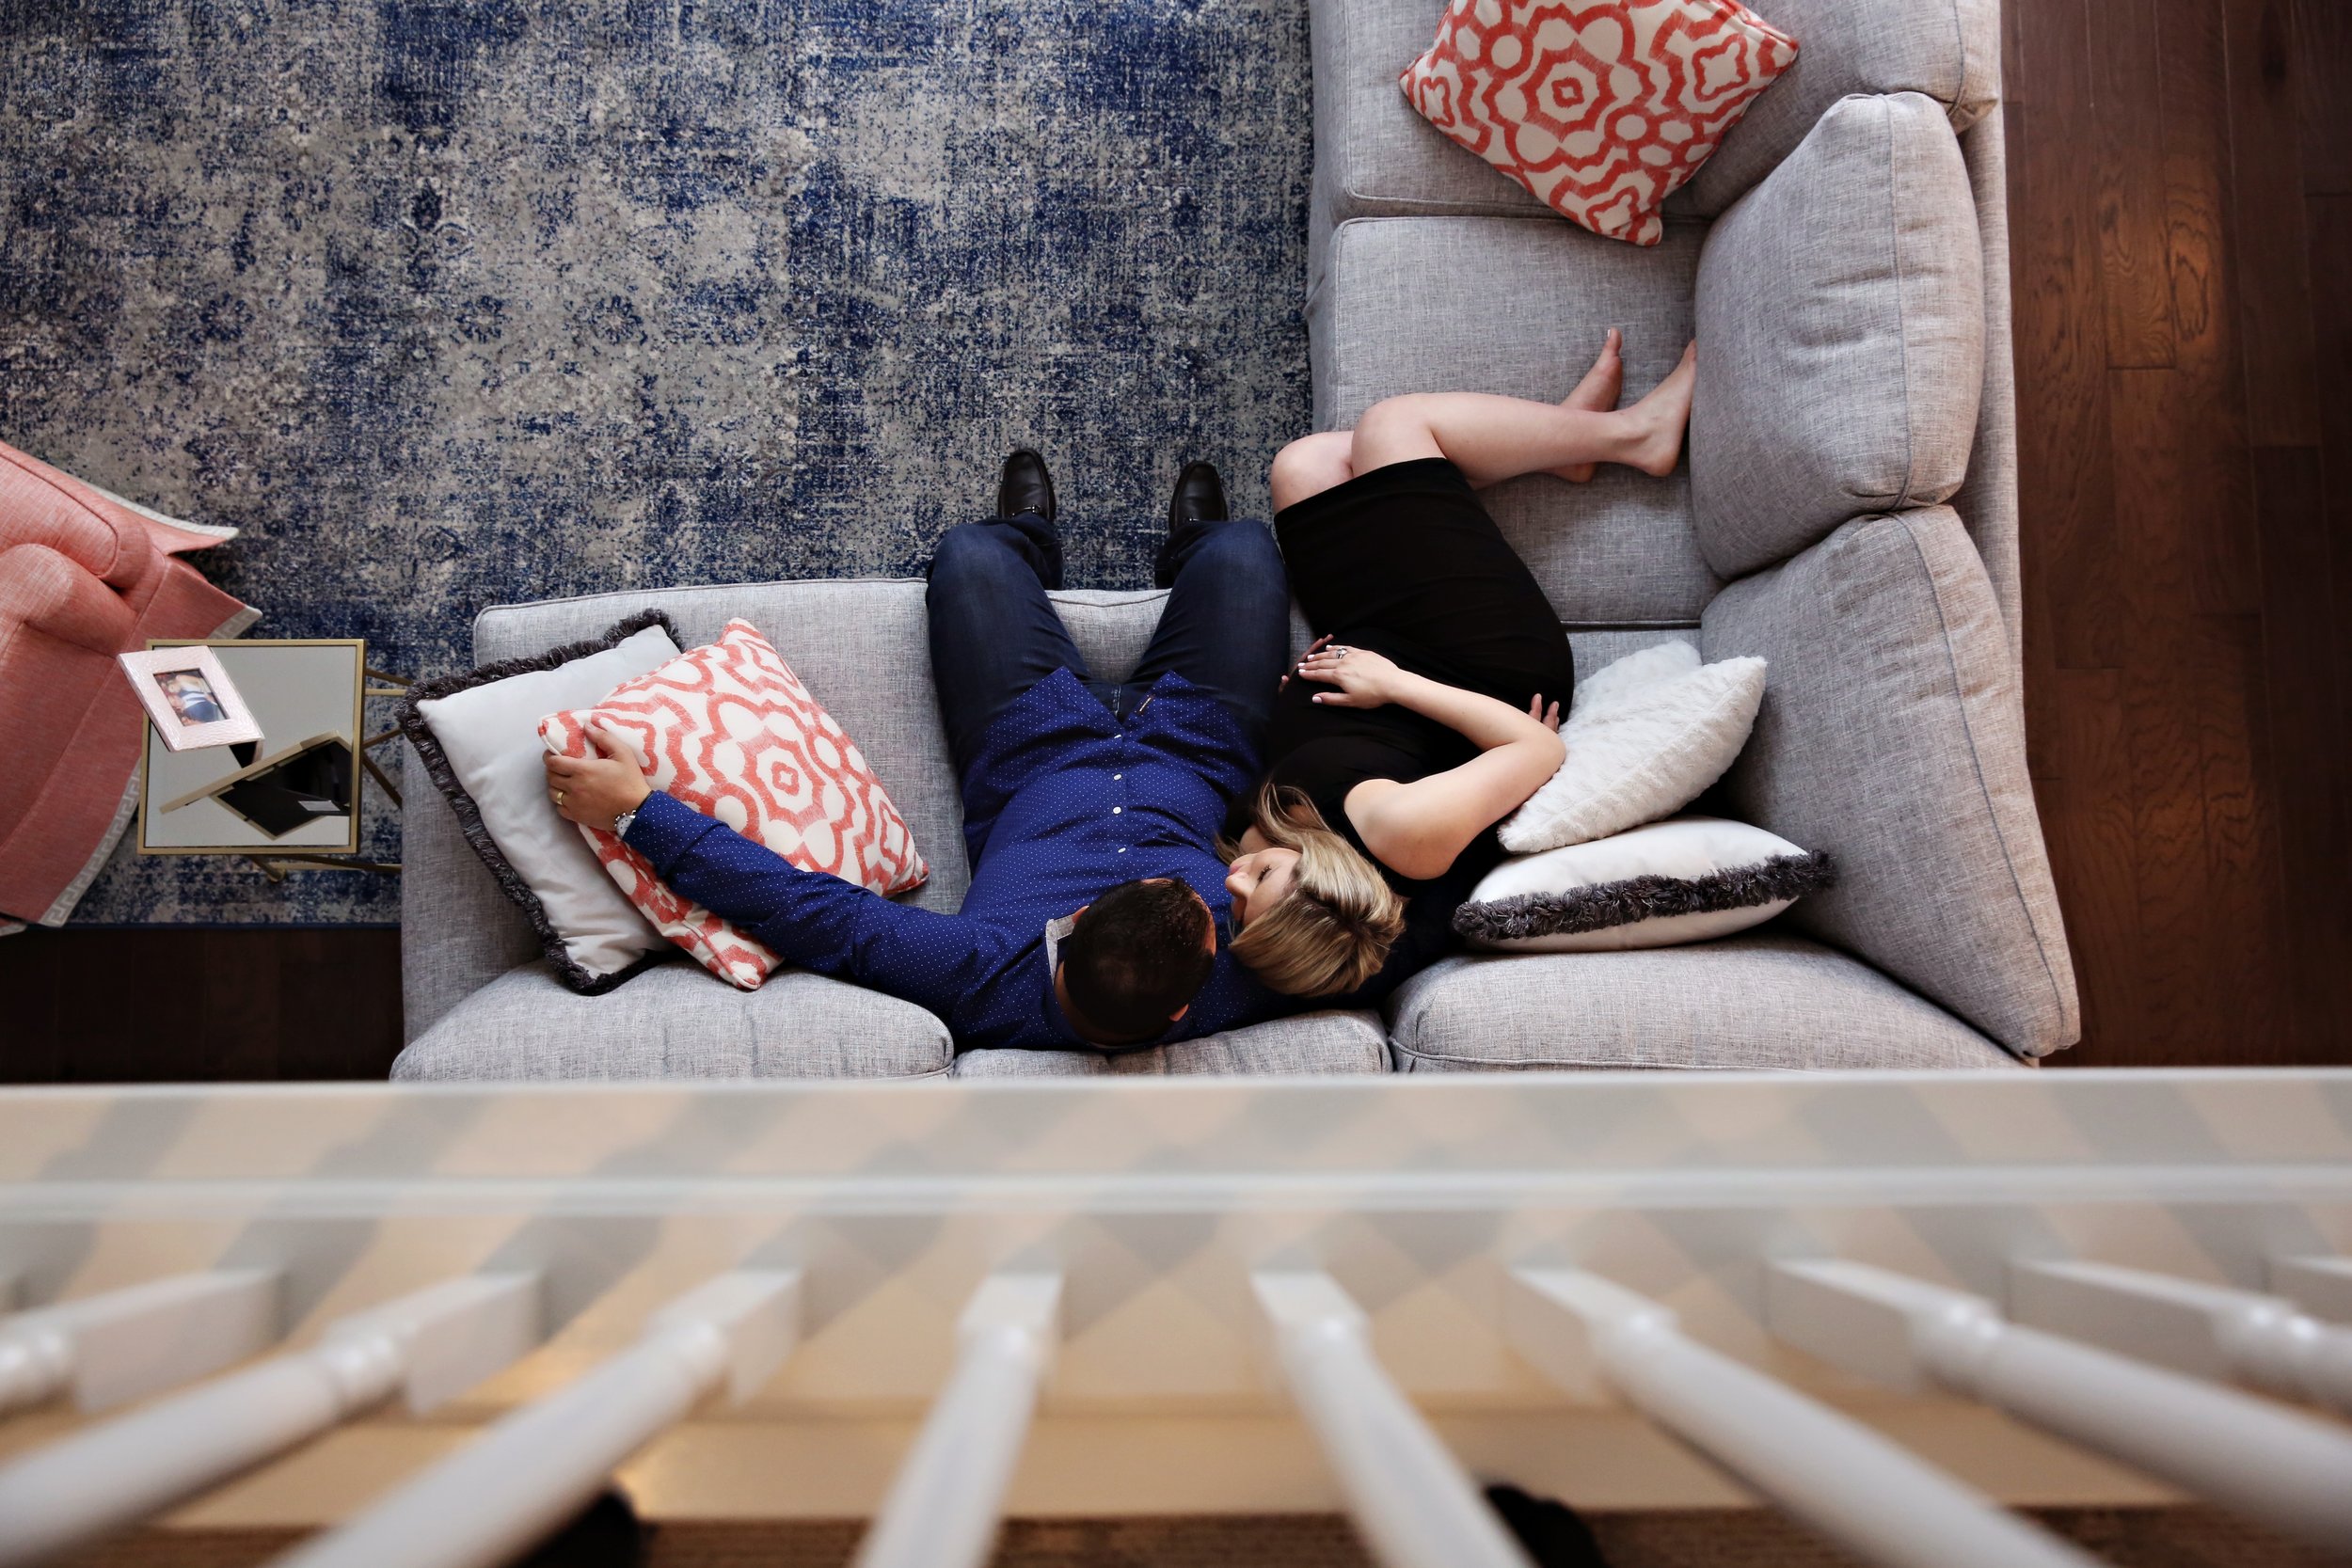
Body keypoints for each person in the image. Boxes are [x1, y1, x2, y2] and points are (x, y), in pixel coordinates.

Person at [543, 450, 1298, 1052]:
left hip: (1032, 741)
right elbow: (1399, 922)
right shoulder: (1250, 978)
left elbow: (803, 908)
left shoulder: (976, 974)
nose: (1231, 895)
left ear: (1069, 924)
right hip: (1197, 740)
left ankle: (1024, 538)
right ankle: (1196, 547)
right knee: (1243, 550)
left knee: (971, 554)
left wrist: (638, 813)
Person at [1222, 332, 1697, 1001]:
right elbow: (1537, 747)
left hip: (1371, 646)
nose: (1234, 883)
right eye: (1259, 888)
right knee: (1393, 427)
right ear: (1328, 883)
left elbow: (1321, 771)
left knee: (1304, 468)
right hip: (1473, 664)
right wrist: (1393, 683)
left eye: (1239, 907)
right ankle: (1630, 436)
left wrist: (1293, 709)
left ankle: (1560, 447)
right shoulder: (1406, 838)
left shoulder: (1268, 852)